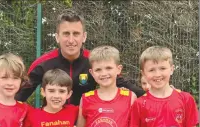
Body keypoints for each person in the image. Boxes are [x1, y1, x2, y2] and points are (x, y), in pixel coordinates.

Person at [15, 9, 144, 105]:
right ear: (57, 37)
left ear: (84, 37)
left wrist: (151, 97)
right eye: (66, 34)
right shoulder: (43, 63)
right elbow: (19, 94)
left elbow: (122, 83)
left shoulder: (94, 61)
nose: (71, 40)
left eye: (76, 34)